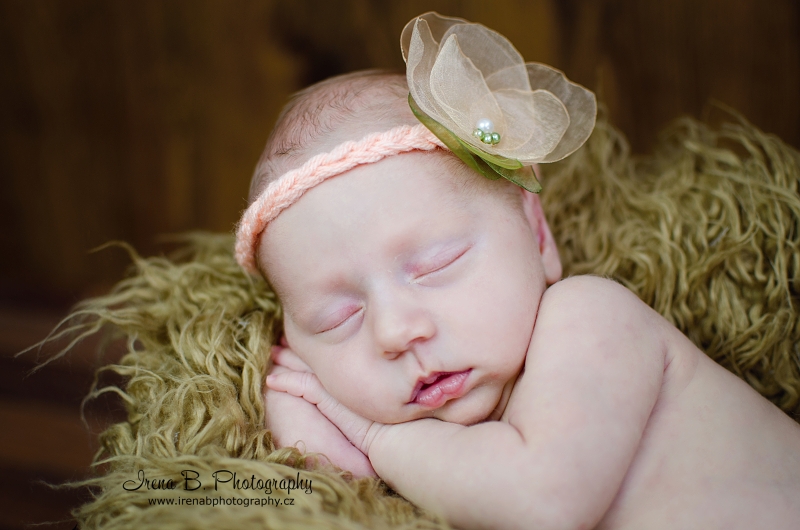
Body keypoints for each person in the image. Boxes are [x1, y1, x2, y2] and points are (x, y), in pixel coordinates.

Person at [236, 13, 800, 530]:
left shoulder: (589, 317)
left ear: (537, 234)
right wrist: (297, 401)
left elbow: (545, 505)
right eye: (337, 319)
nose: (395, 331)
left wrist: (373, 433)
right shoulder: (436, 445)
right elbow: (340, 495)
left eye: (437, 265)